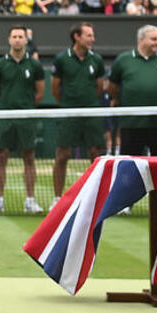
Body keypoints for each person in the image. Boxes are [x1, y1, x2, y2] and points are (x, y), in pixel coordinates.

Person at [0, 25, 46, 213]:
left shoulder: (35, 65)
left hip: (27, 117)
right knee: (1, 157)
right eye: (14, 36)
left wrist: (25, 108)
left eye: (21, 36)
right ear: (9, 40)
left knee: (29, 157)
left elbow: (40, 93)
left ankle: (30, 200)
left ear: (26, 40)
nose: (18, 39)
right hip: (5, 117)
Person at [50, 22, 105, 205]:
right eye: (88, 35)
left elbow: (99, 87)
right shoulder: (62, 59)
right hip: (69, 113)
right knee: (62, 154)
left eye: (92, 35)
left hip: (91, 112)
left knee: (96, 153)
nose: (92, 39)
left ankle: (97, 197)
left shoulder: (96, 60)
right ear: (77, 37)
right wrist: (69, 104)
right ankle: (57, 198)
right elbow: (55, 88)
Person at [108, 25, 157, 156]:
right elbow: (112, 87)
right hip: (132, 124)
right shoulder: (123, 60)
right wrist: (120, 100)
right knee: (130, 166)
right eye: (153, 39)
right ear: (141, 39)